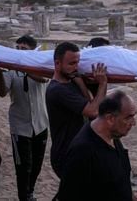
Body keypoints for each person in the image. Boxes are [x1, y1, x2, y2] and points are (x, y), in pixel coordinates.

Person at [56, 91, 137, 201]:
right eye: (128, 117)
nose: (133, 123)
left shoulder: (113, 135)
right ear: (110, 119)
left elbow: (121, 185)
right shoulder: (83, 151)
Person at [0, 35, 49, 201]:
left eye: (24, 49)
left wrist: (24, 68)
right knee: (23, 166)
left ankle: (30, 192)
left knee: (36, 164)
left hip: (41, 123)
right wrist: (0, 72)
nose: (19, 51)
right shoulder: (11, 69)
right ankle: (24, 197)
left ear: (32, 51)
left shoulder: (41, 66)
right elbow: (2, 92)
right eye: (17, 48)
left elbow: (43, 79)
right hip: (20, 126)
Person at [45, 42, 108, 178]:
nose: (76, 67)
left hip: (78, 151)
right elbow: (93, 111)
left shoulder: (71, 81)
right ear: (57, 64)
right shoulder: (57, 90)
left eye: (77, 63)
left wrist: (80, 82)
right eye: (71, 64)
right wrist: (103, 83)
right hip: (66, 155)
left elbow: (89, 102)